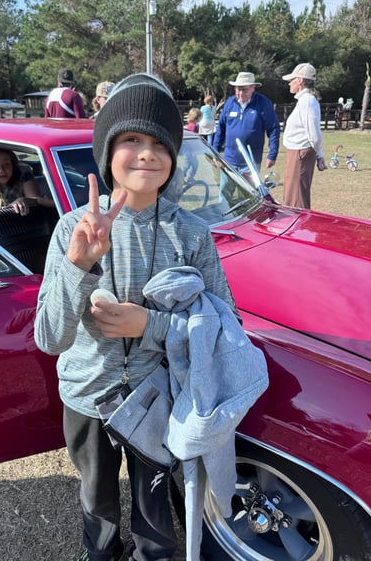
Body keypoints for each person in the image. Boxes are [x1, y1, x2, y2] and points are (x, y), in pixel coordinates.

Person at [34, 73, 238, 561]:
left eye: (158, 143)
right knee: (96, 497)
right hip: (86, 395)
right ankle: (101, 553)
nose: (145, 153)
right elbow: (49, 336)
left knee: (154, 504)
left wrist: (152, 326)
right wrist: (80, 265)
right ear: (107, 153)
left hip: (156, 395)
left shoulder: (191, 234)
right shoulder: (72, 230)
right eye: (130, 139)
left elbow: (226, 326)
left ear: (173, 157)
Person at [213, 72, 280, 175]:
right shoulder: (229, 103)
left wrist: (272, 154)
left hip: (251, 162)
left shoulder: (263, 103)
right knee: (225, 191)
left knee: (248, 191)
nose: (240, 93)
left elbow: (273, 129)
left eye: (245, 90)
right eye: (238, 89)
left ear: (253, 88)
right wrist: (215, 152)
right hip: (229, 160)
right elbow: (221, 128)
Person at [281, 63, 327, 209]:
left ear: (300, 80)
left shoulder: (307, 101)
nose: (289, 83)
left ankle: (299, 229)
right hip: (297, 153)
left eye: (292, 79)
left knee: (297, 199)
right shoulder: (304, 101)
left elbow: (314, 134)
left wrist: (319, 155)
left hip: (300, 154)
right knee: (292, 195)